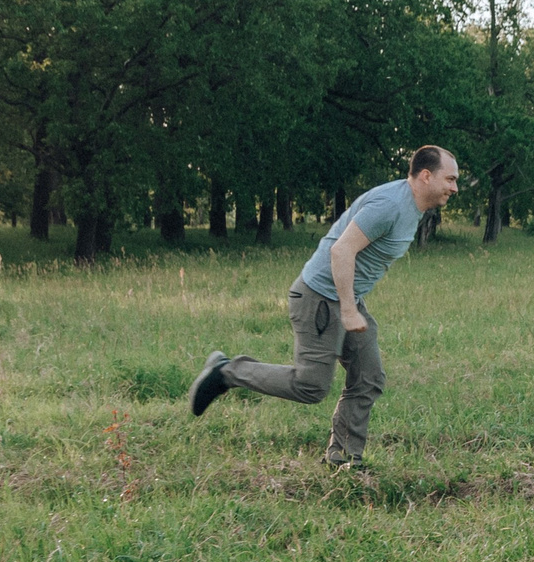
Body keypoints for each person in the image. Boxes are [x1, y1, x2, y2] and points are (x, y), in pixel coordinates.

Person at [186, 146, 461, 465]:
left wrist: (351, 304)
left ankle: (343, 459)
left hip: (344, 298)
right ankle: (227, 372)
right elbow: (341, 252)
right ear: (426, 176)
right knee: (310, 386)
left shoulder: (410, 204)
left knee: (368, 377)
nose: (454, 187)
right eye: (450, 179)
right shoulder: (390, 205)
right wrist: (347, 309)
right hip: (321, 299)